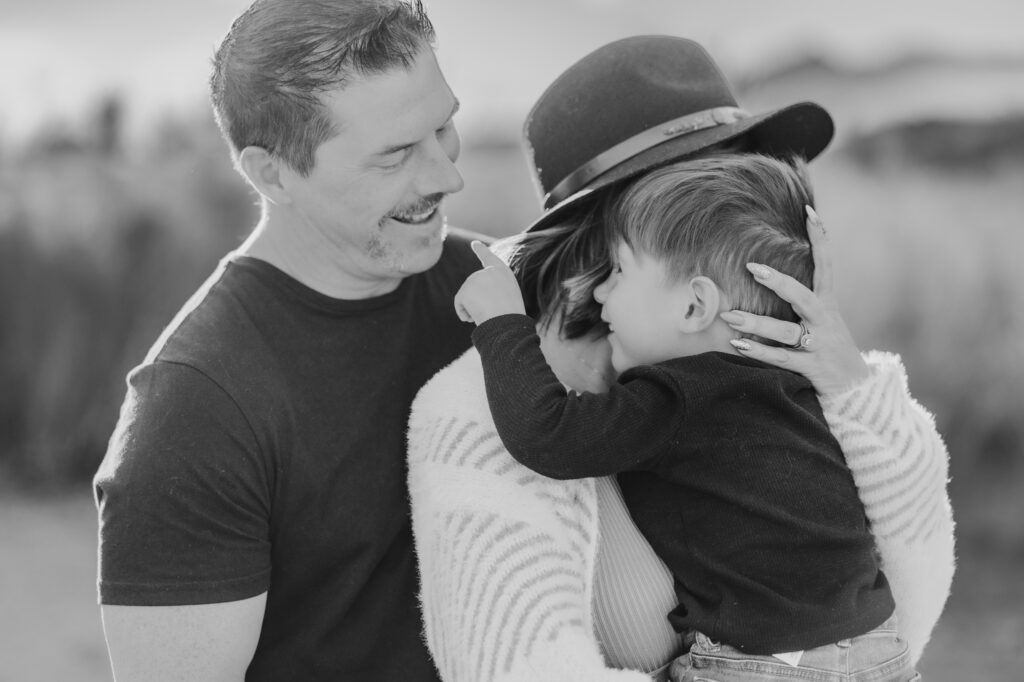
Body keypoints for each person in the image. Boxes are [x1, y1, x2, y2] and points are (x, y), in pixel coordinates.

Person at [407, 36, 954, 682]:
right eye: (720, 186)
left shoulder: (766, 362)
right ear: (625, 224)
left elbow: (915, 587)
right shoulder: (476, 413)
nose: (749, 212)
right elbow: (515, 666)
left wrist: (854, 387)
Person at [93, 1, 482, 679]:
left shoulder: (491, 289)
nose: (448, 176)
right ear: (271, 173)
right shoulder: (195, 413)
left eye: (444, 127)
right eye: (394, 156)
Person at [453, 151, 914, 682]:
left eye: (619, 271)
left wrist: (503, 322)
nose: (601, 292)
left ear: (695, 307)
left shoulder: (680, 394)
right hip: (880, 647)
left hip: (767, 663)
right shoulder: (798, 388)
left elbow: (548, 435)